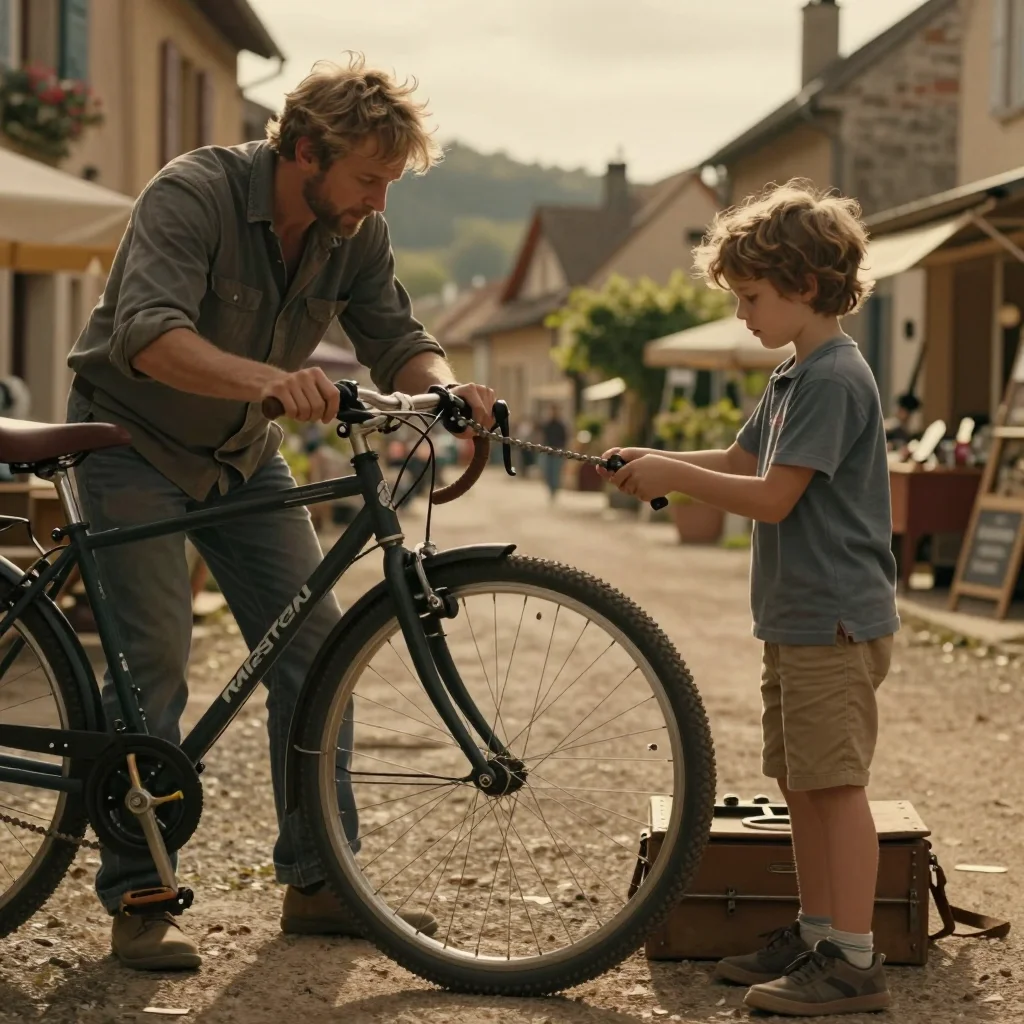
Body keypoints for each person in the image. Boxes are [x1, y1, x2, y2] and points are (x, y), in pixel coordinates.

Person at [65, 53, 495, 971]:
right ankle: (140, 892)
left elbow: (395, 338)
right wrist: (276, 383)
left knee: (317, 652)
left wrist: (447, 389)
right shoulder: (193, 194)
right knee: (154, 663)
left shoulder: (354, 233)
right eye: (369, 178)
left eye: (389, 182)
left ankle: (318, 878)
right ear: (304, 149)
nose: (379, 201)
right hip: (127, 443)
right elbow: (146, 335)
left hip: (238, 456)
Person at [601, 179, 898, 1016]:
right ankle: (816, 932)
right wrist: (658, 457)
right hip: (799, 619)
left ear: (805, 285)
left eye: (753, 297)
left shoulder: (836, 377)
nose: (742, 313)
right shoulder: (792, 375)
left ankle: (853, 959)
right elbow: (740, 466)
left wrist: (668, 477)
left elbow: (772, 498)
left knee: (835, 786)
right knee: (801, 782)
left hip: (834, 623)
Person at [539, 405, 568, 500]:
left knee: (555, 473)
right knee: (548, 472)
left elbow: (564, 439)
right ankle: (550, 489)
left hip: (557, 452)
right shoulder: (547, 425)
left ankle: (554, 491)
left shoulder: (561, 425)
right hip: (548, 452)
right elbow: (543, 437)